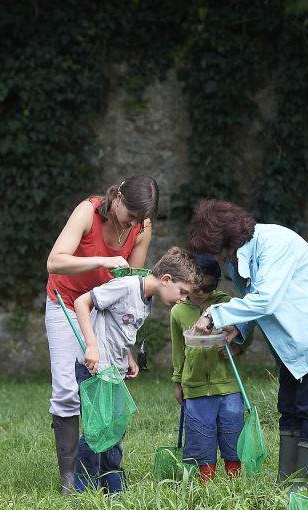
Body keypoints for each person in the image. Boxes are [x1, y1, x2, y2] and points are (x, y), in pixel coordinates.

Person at [188, 199, 308, 485]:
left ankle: (301, 488)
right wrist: (238, 330)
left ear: (226, 239)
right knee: (288, 407)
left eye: (216, 251)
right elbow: (254, 299)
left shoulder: (276, 242)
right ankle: (285, 482)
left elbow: (266, 299)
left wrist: (214, 313)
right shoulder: (238, 258)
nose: (216, 259)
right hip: (293, 339)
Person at [45, 176, 159, 492]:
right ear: (118, 197)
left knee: (105, 389)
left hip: (105, 309)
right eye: (130, 215)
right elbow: (54, 262)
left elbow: (128, 288)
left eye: (140, 219)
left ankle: (101, 471)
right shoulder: (87, 212)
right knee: (68, 391)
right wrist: (102, 260)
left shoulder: (141, 227)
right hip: (67, 303)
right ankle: (70, 477)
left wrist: (125, 350)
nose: (133, 223)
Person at [72, 247, 197, 492]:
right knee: (97, 430)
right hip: (95, 368)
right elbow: (81, 302)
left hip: (115, 371)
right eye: (182, 292)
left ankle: (111, 486)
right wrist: (91, 345)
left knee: (115, 429)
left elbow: (119, 326)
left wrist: (128, 357)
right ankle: (83, 489)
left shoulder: (147, 300)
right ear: (167, 279)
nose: (183, 299)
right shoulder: (126, 286)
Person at [169, 253, 249, 481]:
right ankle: (207, 484)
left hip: (227, 385)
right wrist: (178, 381)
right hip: (194, 386)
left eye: (210, 287)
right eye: (198, 288)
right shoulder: (178, 311)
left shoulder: (226, 304)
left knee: (233, 434)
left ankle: (235, 484)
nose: (204, 293)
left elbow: (245, 332)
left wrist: (236, 348)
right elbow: (178, 350)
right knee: (200, 437)